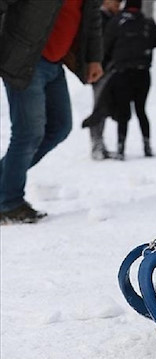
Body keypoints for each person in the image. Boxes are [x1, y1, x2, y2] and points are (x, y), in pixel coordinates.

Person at [0, 0, 104, 225]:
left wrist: (94, 57)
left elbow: (92, 15)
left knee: (59, 126)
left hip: (54, 61)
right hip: (25, 60)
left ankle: (5, 185)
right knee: (28, 133)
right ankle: (9, 203)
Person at [103, 0, 156, 160]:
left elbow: (106, 46)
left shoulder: (116, 22)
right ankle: (147, 145)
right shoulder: (146, 22)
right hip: (142, 73)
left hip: (122, 73)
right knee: (141, 110)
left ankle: (121, 148)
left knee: (123, 112)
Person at [86, 0, 123, 160]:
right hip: (101, 70)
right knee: (99, 108)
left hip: (113, 69)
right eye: (115, 2)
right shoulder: (99, 18)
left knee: (105, 108)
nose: (118, 5)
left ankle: (100, 144)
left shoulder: (116, 18)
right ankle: (97, 145)